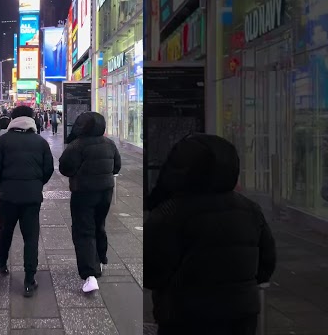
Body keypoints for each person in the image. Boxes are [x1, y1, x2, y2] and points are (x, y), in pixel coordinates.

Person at [144, 133, 277, 335]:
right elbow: (266, 263)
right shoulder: (250, 210)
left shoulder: (169, 213)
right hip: (240, 316)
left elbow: (152, 272)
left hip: (185, 317)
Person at [0, 105, 54, 297]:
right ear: (32, 119)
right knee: (31, 237)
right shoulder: (40, 142)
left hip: (7, 196)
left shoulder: (2, 141)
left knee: (5, 231)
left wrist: (2, 185)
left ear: (12, 119)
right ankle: (29, 280)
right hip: (32, 197)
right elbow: (48, 169)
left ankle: (1, 263)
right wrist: (36, 184)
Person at [58, 111, 121, 293]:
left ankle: (90, 275)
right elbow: (117, 166)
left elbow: (65, 168)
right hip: (106, 192)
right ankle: (100, 259)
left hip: (84, 193)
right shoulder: (109, 144)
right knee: (98, 224)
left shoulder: (77, 145)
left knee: (84, 230)